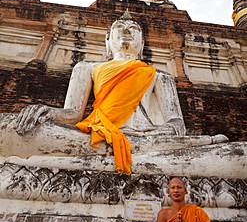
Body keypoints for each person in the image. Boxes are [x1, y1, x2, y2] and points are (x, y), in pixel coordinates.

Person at [14, 11, 186, 174]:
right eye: (119, 27)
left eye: (133, 29)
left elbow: (177, 123)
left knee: (210, 150)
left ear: (142, 43)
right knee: (14, 128)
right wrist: (48, 112)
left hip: (147, 136)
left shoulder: (160, 75)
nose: (126, 31)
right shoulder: (86, 67)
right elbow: (73, 115)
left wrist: (164, 130)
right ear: (107, 40)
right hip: (97, 135)